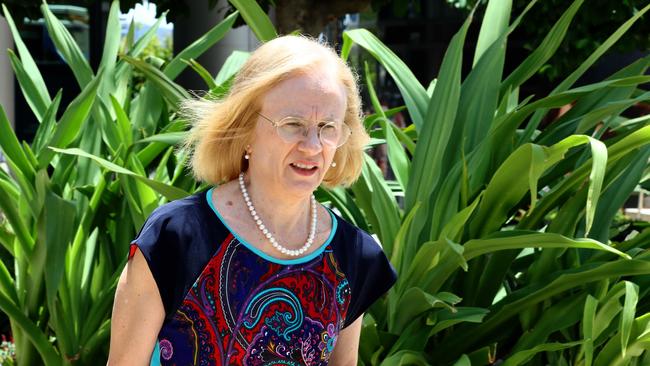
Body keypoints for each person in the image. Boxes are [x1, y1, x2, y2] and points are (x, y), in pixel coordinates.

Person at [108, 35, 397, 366]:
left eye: (327, 127)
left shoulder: (353, 255)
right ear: (245, 129)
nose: (313, 145)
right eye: (293, 124)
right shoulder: (174, 238)